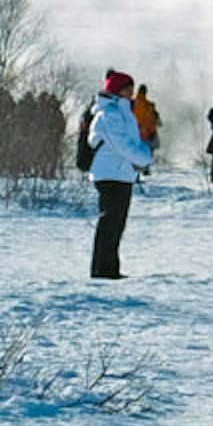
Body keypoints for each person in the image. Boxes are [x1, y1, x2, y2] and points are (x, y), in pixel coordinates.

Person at [81, 69, 153, 280]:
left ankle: (109, 269)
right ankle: (102, 270)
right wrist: (144, 158)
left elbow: (129, 143)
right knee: (110, 224)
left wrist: (138, 158)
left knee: (115, 225)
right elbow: (122, 145)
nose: (131, 92)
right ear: (117, 90)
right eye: (127, 88)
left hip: (120, 173)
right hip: (110, 174)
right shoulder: (109, 114)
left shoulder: (121, 112)